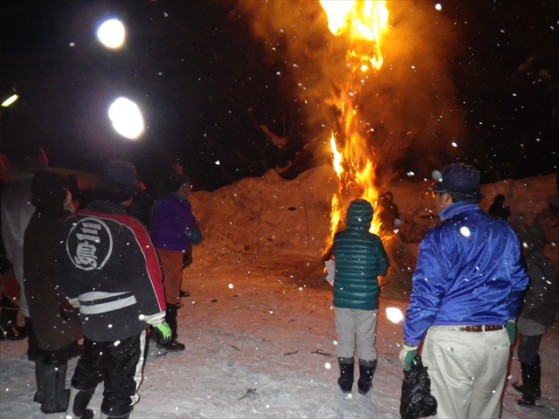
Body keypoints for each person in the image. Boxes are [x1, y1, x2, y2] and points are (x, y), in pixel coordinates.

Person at [399, 163, 529, 419]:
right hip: (495, 341)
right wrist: (510, 318)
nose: (436, 202)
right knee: (485, 414)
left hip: (452, 342)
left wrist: (411, 342)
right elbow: (519, 281)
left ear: (447, 197)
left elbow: (427, 293)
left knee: (446, 414)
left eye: (438, 196)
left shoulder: (441, 236)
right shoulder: (504, 231)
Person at [57, 160, 172, 419]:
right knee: (123, 376)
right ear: (129, 193)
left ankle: (75, 413)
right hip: (125, 319)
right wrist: (158, 319)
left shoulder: (73, 222)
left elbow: (64, 266)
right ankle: (114, 413)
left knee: (90, 362)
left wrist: (75, 299)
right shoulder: (130, 228)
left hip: (90, 315)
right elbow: (149, 276)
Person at [23, 170, 82, 414]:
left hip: (41, 295)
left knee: (47, 343)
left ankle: (45, 392)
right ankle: (53, 400)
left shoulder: (39, 218)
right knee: (56, 347)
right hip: (53, 298)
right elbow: (59, 268)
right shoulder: (54, 224)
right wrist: (70, 300)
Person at [330, 199, 388, 395]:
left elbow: (335, 262)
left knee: (345, 338)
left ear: (348, 217)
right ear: (369, 218)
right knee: (366, 340)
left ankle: (346, 381)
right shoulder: (374, 241)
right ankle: (364, 383)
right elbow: (382, 268)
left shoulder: (339, 238)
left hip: (342, 298)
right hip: (367, 301)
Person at [0, 144, 49, 357]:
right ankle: (44, 346)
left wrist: (11, 253)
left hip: (19, 250)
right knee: (47, 298)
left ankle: (36, 343)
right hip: (42, 251)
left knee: (29, 296)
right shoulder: (42, 186)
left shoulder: (11, 190)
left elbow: (5, 226)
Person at [149, 174, 203, 351]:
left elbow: (189, 223)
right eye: (184, 186)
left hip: (175, 252)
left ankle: (159, 333)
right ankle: (165, 336)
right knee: (168, 296)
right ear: (175, 187)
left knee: (167, 294)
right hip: (164, 252)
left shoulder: (183, 204)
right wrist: (185, 231)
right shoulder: (166, 204)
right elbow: (163, 230)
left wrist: (193, 233)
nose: (188, 189)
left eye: (189, 185)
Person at [512, 224, 558, 407]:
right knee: (529, 353)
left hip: (534, 316)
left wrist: (525, 307)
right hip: (537, 314)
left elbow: (541, 289)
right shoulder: (536, 258)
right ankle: (532, 387)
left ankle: (530, 394)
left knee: (527, 354)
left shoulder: (532, 260)